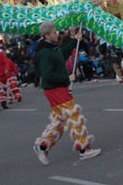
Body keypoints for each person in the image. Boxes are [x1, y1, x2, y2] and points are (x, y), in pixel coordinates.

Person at [33, 21, 101, 165]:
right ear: (46, 36)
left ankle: (42, 146)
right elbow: (47, 75)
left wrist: (75, 40)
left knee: (60, 121)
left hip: (59, 88)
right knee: (74, 115)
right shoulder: (45, 52)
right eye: (54, 32)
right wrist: (67, 78)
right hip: (55, 90)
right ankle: (83, 149)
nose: (57, 34)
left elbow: (63, 54)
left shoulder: (53, 48)